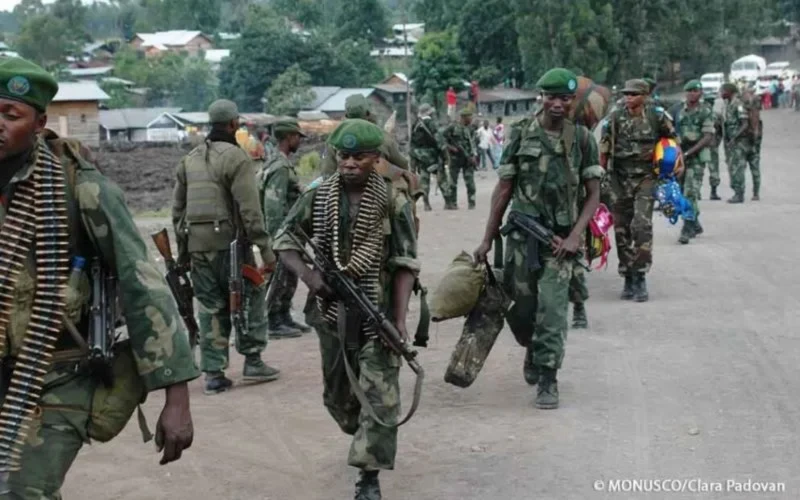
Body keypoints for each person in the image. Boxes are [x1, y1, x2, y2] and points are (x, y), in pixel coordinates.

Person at [0, 56, 197, 498]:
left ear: (39, 123)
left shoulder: (80, 188)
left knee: (20, 493)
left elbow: (144, 285)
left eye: (10, 114)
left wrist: (177, 396)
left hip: (55, 379)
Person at [274, 119, 420, 500]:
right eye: (344, 155)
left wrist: (400, 319)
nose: (350, 163)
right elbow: (284, 240)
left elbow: (406, 262)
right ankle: (363, 434)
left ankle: (369, 477)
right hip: (330, 312)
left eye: (360, 156)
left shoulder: (392, 199)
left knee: (380, 396)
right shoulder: (318, 196)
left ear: (377, 159)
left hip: (377, 309)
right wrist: (310, 278)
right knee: (339, 399)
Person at [473, 68, 602, 409]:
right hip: (520, 239)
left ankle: (548, 377)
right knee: (522, 310)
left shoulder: (583, 140)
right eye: (552, 97)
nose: (558, 104)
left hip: (560, 244)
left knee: (553, 311)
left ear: (572, 101)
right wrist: (487, 239)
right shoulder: (520, 135)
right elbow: (504, 189)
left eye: (565, 98)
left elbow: (593, 195)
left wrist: (576, 236)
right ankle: (532, 349)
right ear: (540, 97)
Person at [172, 99, 279, 395]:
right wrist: (266, 251)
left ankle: (214, 373)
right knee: (250, 296)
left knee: (210, 307)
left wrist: (183, 255)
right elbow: (250, 211)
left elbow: (177, 213)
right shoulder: (237, 158)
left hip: (197, 247)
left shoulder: (189, 159)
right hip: (231, 247)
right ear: (233, 124)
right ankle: (253, 361)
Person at [600, 79, 677, 302]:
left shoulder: (657, 116)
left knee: (641, 225)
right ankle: (628, 276)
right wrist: (600, 176)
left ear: (644, 96)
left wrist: (672, 169)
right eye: (626, 94)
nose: (628, 98)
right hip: (619, 178)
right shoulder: (614, 117)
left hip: (646, 178)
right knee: (621, 229)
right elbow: (604, 148)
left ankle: (641, 275)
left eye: (634, 94)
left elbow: (672, 142)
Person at [259, 119, 310, 339]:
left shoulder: (284, 163)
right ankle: (272, 321)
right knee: (279, 276)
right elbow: (273, 205)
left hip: (292, 233)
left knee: (290, 276)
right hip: (283, 234)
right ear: (289, 137)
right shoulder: (279, 167)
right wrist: (277, 239)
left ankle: (283, 316)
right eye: (297, 136)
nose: (299, 140)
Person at [320, 95, 408, 177]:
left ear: (346, 115)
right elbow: (403, 165)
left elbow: (327, 171)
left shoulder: (335, 137)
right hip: (378, 189)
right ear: (368, 113)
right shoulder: (383, 137)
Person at [674, 80, 715, 244]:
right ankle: (695, 223)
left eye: (695, 90)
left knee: (690, 192)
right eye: (689, 90)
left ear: (700, 93)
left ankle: (687, 227)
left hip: (697, 157)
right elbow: (676, 132)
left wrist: (688, 153)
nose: (692, 93)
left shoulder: (705, 110)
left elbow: (707, 137)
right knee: (681, 190)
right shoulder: (681, 111)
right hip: (682, 156)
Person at [409, 103, 452, 211]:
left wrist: (414, 160)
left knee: (424, 180)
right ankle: (448, 203)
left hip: (420, 157)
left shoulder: (416, 125)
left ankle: (426, 204)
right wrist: (445, 156)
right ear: (430, 112)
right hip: (433, 156)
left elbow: (412, 143)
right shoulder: (431, 123)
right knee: (442, 179)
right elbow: (439, 140)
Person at [720, 83, 755, 204]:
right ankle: (736, 192)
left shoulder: (738, 104)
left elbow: (744, 123)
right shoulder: (728, 104)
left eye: (723, 91)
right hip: (730, 141)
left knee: (738, 168)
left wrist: (734, 137)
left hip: (739, 142)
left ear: (729, 91)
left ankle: (739, 194)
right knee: (732, 167)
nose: (721, 93)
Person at [442, 108, 478, 209]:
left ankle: (472, 203)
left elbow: (473, 143)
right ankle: (452, 203)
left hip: (468, 159)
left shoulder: (471, 129)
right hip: (455, 159)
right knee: (452, 183)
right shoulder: (452, 127)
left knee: (470, 183)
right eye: (470, 116)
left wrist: (474, 156)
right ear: (464, 117)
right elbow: (442, 138)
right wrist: (450, 147)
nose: (471, 119)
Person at [740, 86, 763, 201]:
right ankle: (755, 193)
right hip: (754, 142)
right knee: (755, 168)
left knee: (744, 167)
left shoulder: (750, 111)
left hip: (748, 142)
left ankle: (743, 192)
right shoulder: (756, 113)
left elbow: (754, 127)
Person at [703, 94, 723, 200]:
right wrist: (717, 142)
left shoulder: (700, 113)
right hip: (712, 145)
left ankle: (697, 192)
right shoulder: (717, 115)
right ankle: (713, 192)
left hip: (701, 145)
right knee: (714, 169)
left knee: (698, 168)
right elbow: (721, 132)